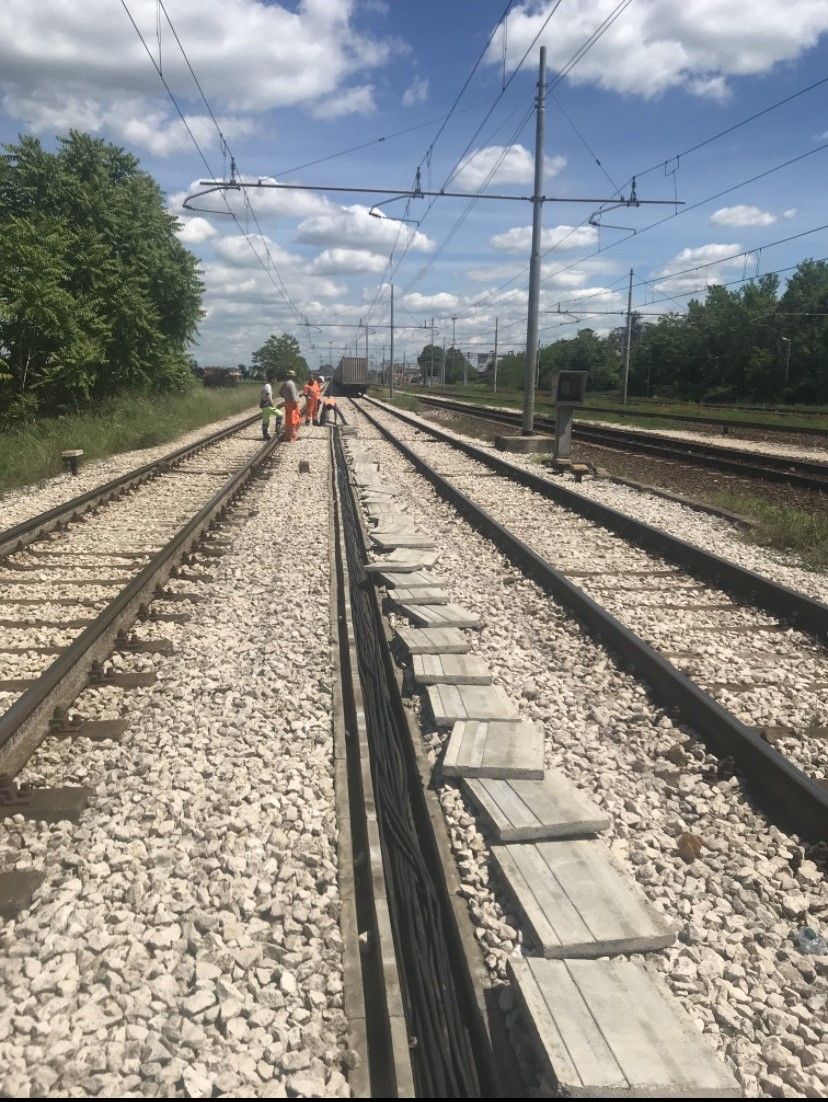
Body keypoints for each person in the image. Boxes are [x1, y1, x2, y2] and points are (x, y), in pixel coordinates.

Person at [280, 370, 301, 443]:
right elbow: (293, 396)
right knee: (293, 420)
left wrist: (286, 397)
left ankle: (287, 436)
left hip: (287, 403)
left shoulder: (285, 383)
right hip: (293, 404)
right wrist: (296, 401)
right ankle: (292, 437)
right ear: (293, 377)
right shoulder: (292, 384)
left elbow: (280, 392)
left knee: (288, 420)